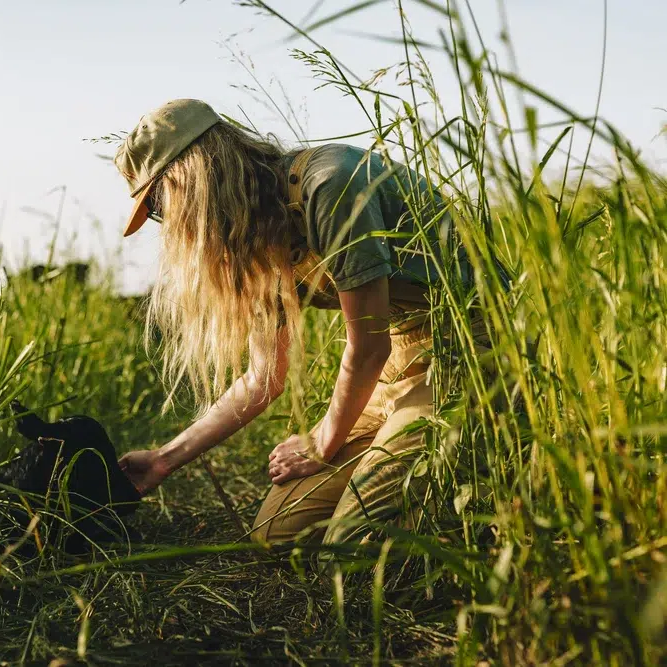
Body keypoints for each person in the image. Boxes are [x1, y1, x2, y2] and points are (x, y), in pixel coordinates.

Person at [113, 98, 474, 549]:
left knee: (352, 543)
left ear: (191, 180)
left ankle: (468, 488)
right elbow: (263, 377)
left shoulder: (329, 185)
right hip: (395, 369)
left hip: (466, 357)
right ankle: (401, 461)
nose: (167, 227)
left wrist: (323, 441)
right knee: (277, 533)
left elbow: (367, 348)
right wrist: (164, 460)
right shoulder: (260, 237)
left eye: (160, 206)